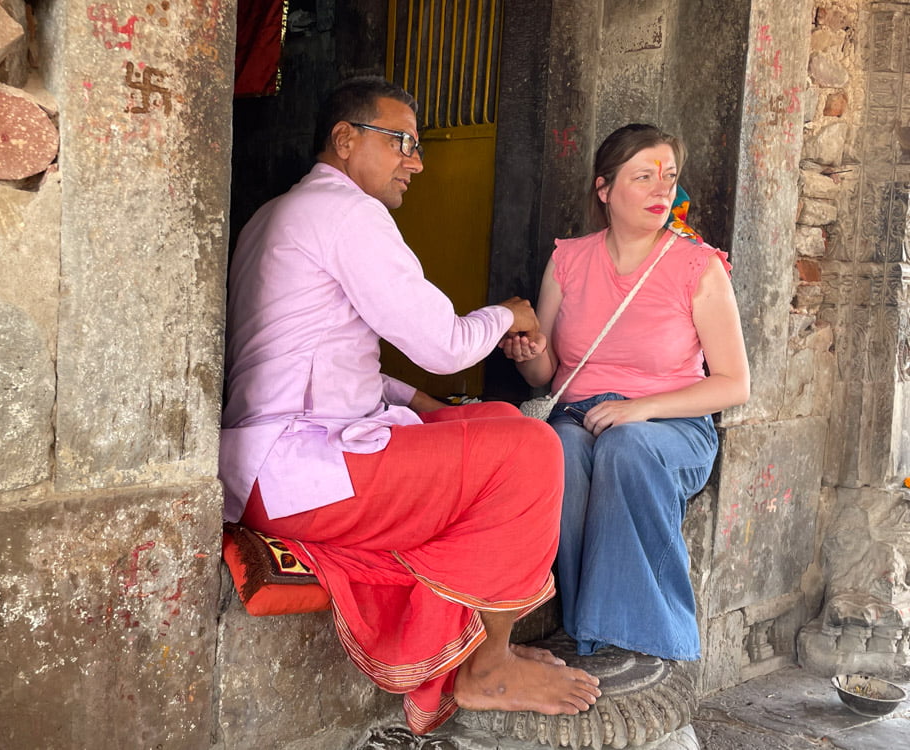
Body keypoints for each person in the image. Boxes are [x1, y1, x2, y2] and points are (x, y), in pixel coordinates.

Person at [218, 76, 600, 735]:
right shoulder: (347, 213)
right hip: (301, 476)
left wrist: (420, 401)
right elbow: (444, 344)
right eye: (403, 143)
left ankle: (476, 644)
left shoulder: (276, 214)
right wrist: (507, 313)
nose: (417, 163)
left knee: (500, 421)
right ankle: (491, 667)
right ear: (345, 139)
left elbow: (320, 358)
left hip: (266, 469)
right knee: (534, 450)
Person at [502, 123, 750, 661]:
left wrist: (639, 410)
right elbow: (545, 375)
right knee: (560, 450)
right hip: (579, 417)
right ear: (605, 189)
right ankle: (585, 624)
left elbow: (734, 384)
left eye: (669, 177)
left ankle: (646, 636)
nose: (663, 191)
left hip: (671, 426)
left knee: (626, 448)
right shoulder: (569, 260)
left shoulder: (698, 266)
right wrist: (527, 352)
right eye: (643, 177)